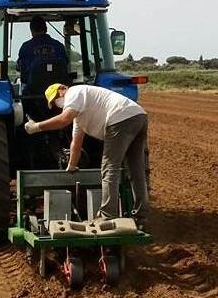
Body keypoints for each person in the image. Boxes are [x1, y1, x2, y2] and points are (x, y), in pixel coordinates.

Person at [24, 83, 149, 228]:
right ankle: (141, 216)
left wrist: (37, 127)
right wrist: (71, 165)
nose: (57, 103)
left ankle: (107, 215)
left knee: (109, 168)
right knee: (136, 170)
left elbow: (64, 119)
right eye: (53, 103)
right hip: (138, 116)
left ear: (62, 89)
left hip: (120, 118)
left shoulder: (74, 92)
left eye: (56, 98)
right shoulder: (80, 117)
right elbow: (76, 144)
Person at [16, 16, 68, 92]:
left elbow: (20, 68)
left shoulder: (26, 47)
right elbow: (66, 65)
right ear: (46, 29)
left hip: (33, 94)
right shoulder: (59, 46)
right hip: (58, 93)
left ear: (31, 30)